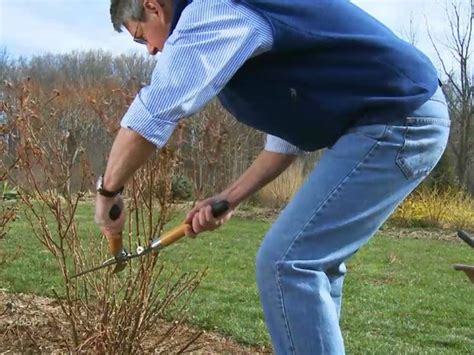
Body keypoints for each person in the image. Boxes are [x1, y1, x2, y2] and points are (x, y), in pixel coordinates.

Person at [94, 0, 450, 353]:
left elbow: (153, 112)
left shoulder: (214, 10)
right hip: (396, 115)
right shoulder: (246, 23)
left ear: (153, 7)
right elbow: (286, 140)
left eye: (143, 38)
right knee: (313, 266)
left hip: (399, 115)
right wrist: (229, 198)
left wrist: (108, 192)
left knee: (287, 262)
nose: (153, 51)